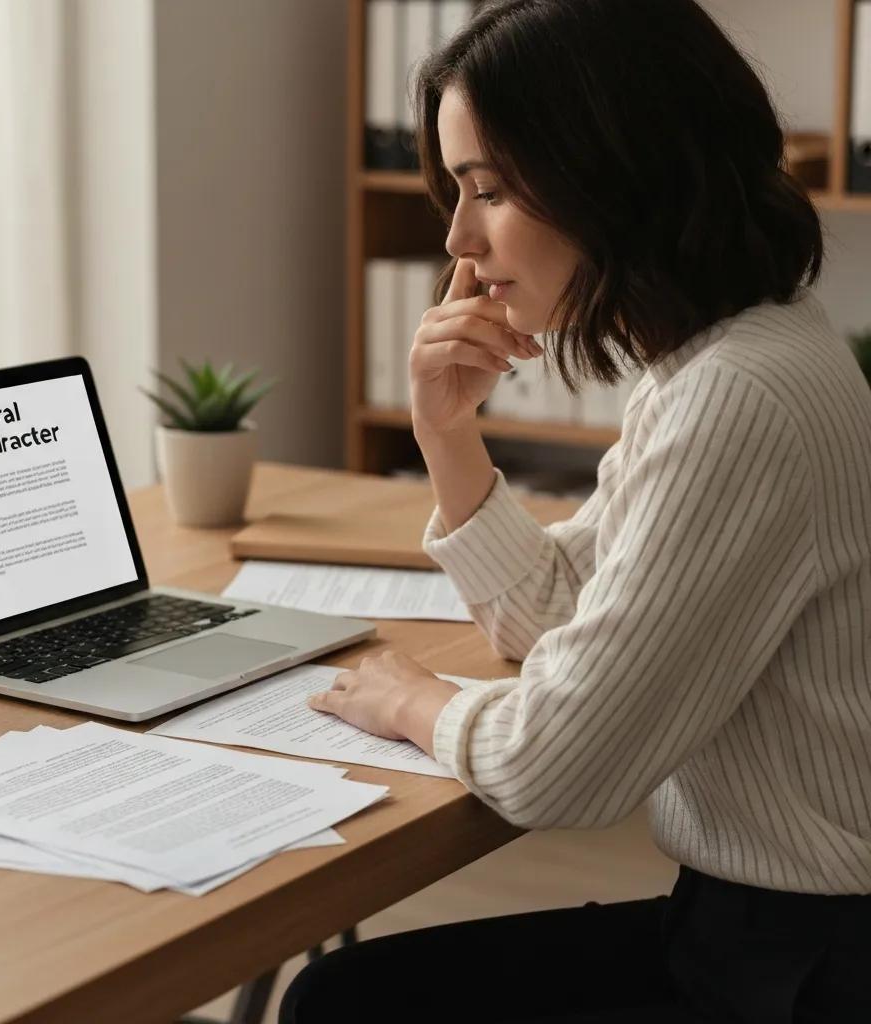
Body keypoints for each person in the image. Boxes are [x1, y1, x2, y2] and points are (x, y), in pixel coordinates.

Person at [279, 0, 871, 1021]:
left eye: (489, 190)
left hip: (801, 967)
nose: (458, 237)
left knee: (346, 1004)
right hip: (760, 932)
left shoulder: (738, 396)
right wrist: (447, 434)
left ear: (613, 170)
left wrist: (413, 703)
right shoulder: (724, 359)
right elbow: (561, 614)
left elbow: (556, 767)